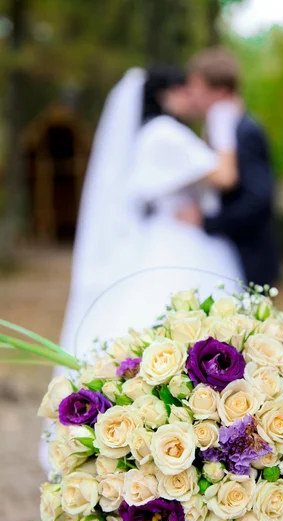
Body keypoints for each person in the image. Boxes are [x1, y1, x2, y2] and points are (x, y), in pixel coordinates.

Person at [58, 66, 244, 359]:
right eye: (183, 89)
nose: (191, 96)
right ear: (165, 95)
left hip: (163, 234)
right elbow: (225, 175)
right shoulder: (165, 134)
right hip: (180, 240)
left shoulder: (150, 135)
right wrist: (223, 125)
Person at [178, 47, 280, 287]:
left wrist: (206, 222)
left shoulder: (245, 132)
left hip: (248, 259)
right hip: (222, 254)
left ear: (221, 91)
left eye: (197, 88)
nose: (192, 95)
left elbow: (259, 200)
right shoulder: (219, 129)